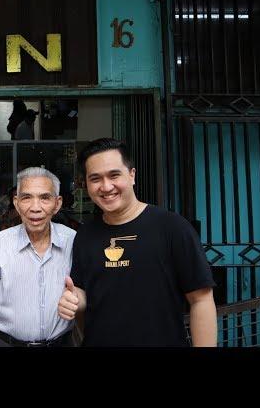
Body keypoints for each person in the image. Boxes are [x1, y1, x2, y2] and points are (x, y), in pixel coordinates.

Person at [58, 138, 217, 347]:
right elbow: (85, 293)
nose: (106, 186)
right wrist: (73, 300)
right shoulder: (85, 234)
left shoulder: (172, 228)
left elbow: (201, 300)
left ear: (132, 175)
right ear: (86, 183)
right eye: (95, 178)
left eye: (114, 175)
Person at [0, 167, 77, 347]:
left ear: (57, 204)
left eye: (45, 198)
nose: (35, 208)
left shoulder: (74, 242)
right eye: (26, 197)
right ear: (16, 202)